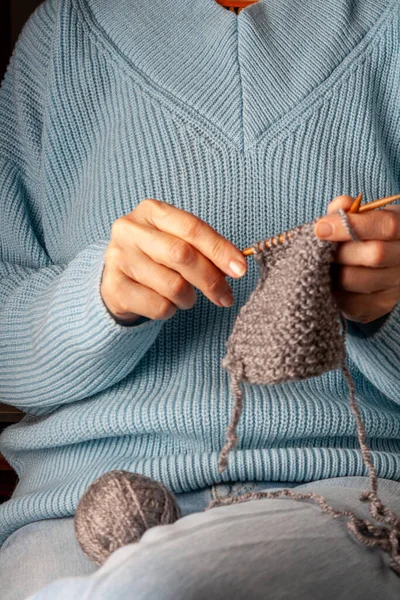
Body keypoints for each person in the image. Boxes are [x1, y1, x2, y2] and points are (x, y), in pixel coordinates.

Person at [0, 0, 399, 598]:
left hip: (339, 490)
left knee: (156, 584)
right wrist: (98, 301)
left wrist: (382, 310)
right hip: (78, 507)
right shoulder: (66, 31)